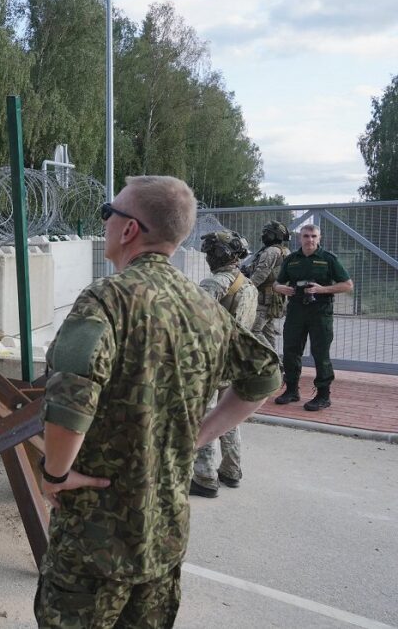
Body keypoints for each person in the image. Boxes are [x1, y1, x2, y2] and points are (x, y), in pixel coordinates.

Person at [35, 176, 281, 628]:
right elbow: (265, 376)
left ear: (129, 229)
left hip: (94, 541)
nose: (105, 222)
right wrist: (200, 435)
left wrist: (55, 473)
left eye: (108, 213)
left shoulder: (105, 300)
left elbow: (72, 398)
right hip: (163, 536)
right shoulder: (203, 305)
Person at [190, 230, 259, 499]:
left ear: (219, 254)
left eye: (210, 252)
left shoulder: (214, 283)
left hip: (212, 361)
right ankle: (231, 469)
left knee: (205, 417)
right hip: (236, 360)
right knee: (228, 415)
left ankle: (205, 477)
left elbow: (194, 323)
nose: (208, 257)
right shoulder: (248, 284)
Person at [272, 223, 354, 411]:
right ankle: (291, 390)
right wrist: (280, 288)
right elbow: (277, 283)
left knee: (320, 353)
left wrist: (322, 289)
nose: (310, 239)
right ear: (300, 238)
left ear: (319, 238)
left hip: (320, 312)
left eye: (313, 236)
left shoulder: (328, 259)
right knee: (291, 351)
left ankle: (323, 396)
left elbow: (347, 285)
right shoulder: (291, 259)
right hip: (296, 311)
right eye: (306, 236)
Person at [243, 221, 290, 348]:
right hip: (275, 298)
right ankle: (274, 358)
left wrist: (247, 287)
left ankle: (271, 357)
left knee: (254, 331)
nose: (263, 235)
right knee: (267, 331)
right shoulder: (285, 251)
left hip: (264, 298)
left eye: (266, 233)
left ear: (275, 235)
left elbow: (261, 274)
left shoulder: (271, 251)